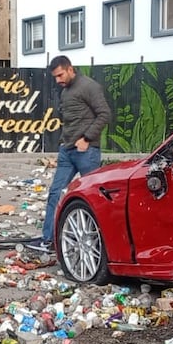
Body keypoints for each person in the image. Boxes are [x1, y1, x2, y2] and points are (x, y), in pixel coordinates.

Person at [29, 55, 111, 254]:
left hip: (86, 151)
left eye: (60, 75)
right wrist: (63, 143)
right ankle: (48, 240)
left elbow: (105, 114)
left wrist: (86, 138)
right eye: (55, 77)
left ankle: (99, 243)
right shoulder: (65, 91)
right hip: (67, 150)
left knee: (94, 198)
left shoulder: (89, 87)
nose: (58, 80)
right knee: (55, 194)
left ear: (70, 68)